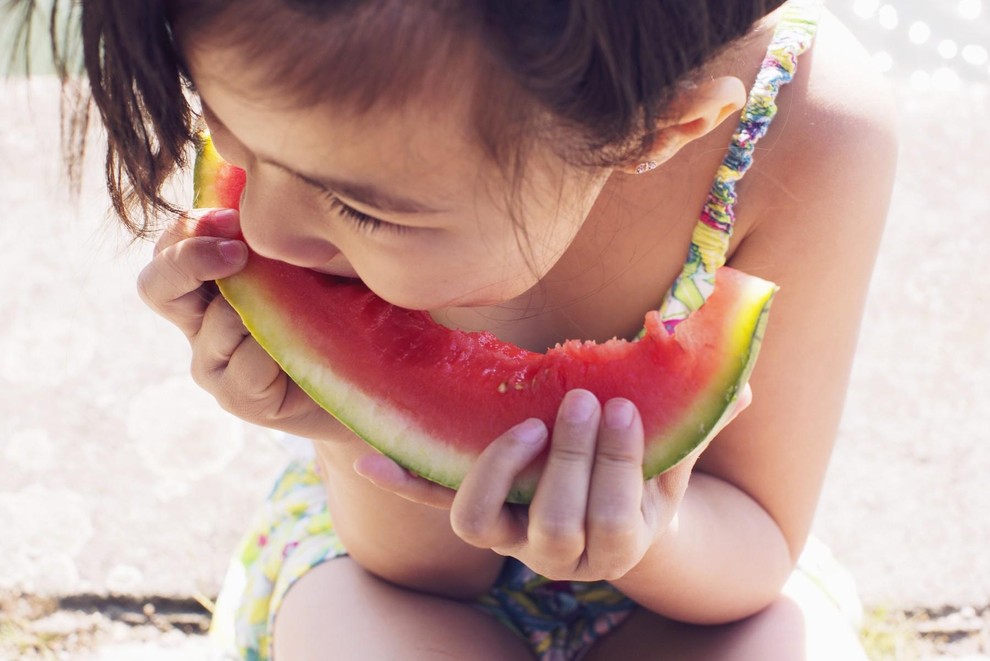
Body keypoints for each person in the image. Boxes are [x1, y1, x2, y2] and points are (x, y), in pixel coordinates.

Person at [14, 0, 897, 658]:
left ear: (658, 134)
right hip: (382, 559)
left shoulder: (812, 133)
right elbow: (421, 576)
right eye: (230, 137)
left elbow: (758, 544)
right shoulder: (361, 112)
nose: (268, 235)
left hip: (700, 558)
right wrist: (333, 414)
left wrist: (644, 534)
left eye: (362, 209)